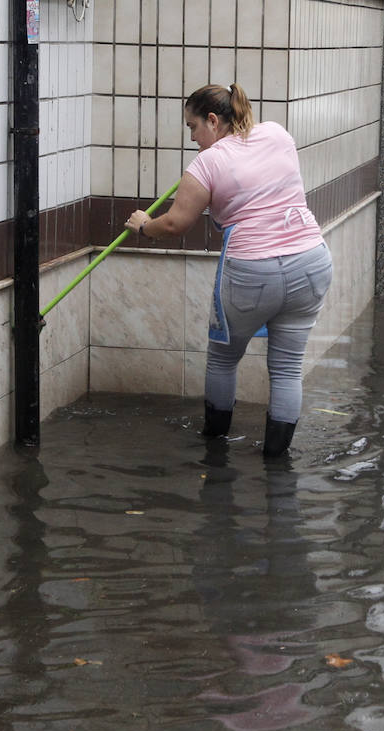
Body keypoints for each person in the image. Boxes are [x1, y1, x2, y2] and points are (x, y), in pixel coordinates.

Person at [125, 84, 334, 457]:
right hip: (311, 261)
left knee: (223, 357)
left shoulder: (208, 162)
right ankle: (276, 461)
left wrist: (143, 225)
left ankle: (215, 449)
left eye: (193, 128)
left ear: (212, 120)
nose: (192, 138)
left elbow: (175, 225)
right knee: (287, 367)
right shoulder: (277, 133)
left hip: (254, 270)